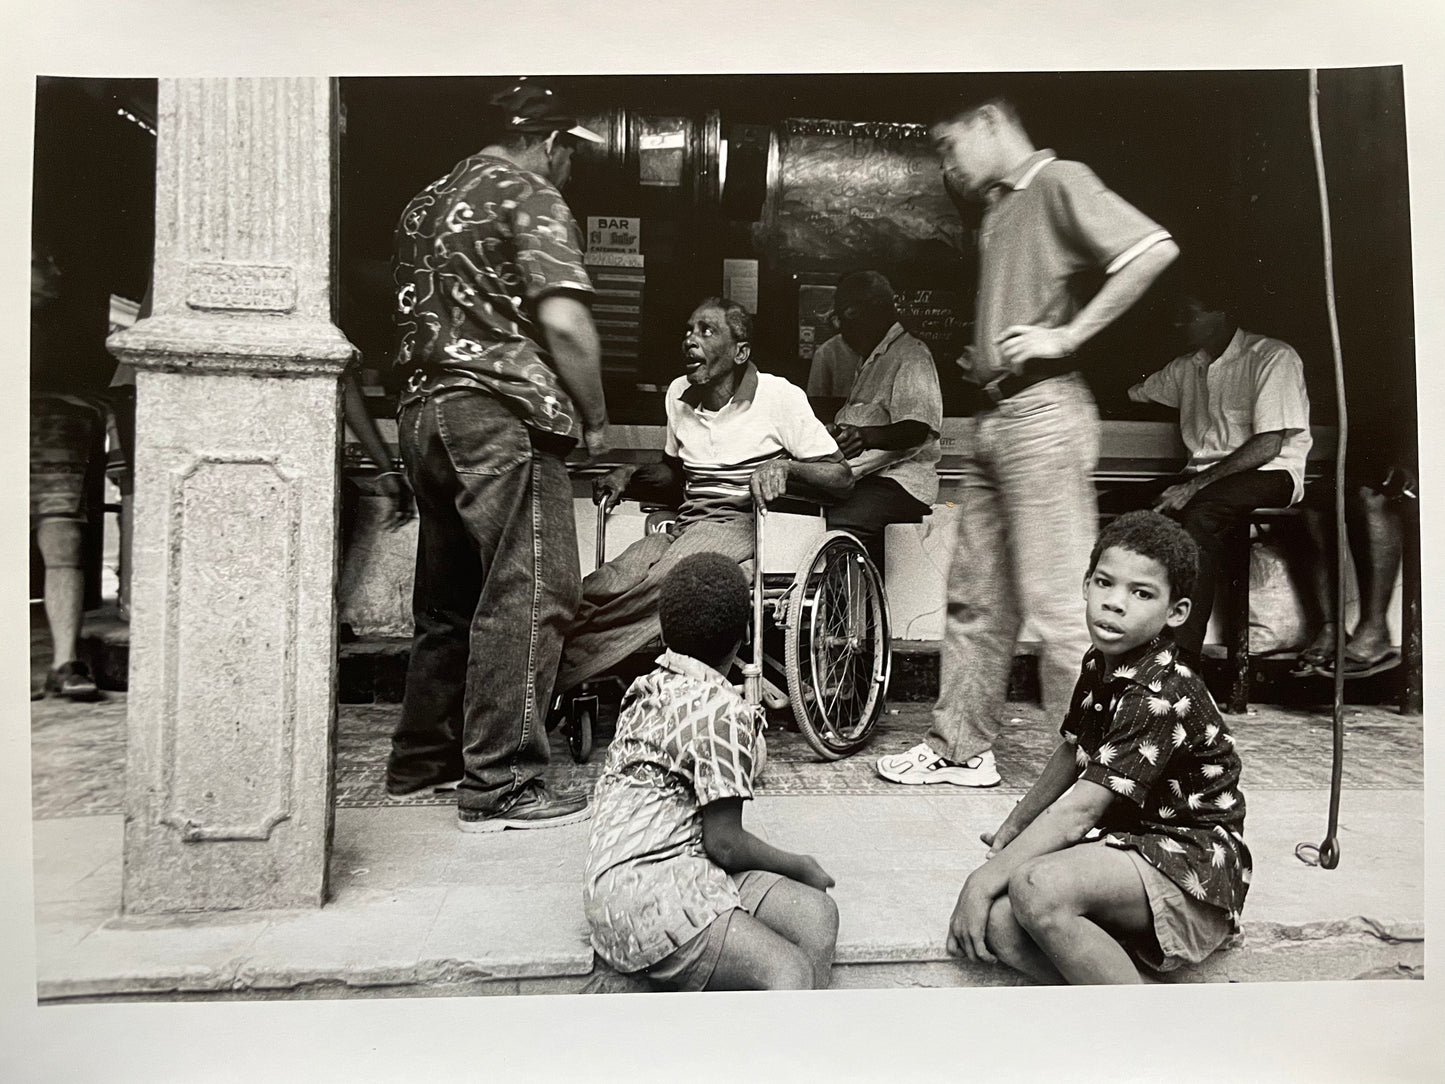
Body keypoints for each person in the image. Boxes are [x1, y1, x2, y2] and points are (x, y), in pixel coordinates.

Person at [877, 94, 1179, 788]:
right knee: (975, 599)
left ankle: (1101, 778)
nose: (947, 164)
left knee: (1064, 609)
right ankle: (960, 749)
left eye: (950, 145)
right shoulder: (998, 209)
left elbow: (1151, 249)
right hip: (997, 417)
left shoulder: (1057, 180)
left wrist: (1066, 334)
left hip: (1043, 415)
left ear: (989, 122)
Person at [384, 79, 611, 832]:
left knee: (449, 599)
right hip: (497, 415)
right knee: (533, 591)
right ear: (549, 142)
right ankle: (503, 781)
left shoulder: (424, 201)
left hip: (422, 417)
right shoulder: (528, 190)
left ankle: (424, 758)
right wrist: (596, 418)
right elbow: (567, 323)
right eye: (569, 154)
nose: (568, 168)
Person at [946, 511, 1250, 984]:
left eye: (1141, 593)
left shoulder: (1157, 692)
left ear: (1177, 612)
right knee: (1001, 926)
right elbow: (1075, 749)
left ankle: (1136, 1033)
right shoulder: (1102, 660)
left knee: (1035, 886)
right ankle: (1128, 992)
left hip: (1192, 871)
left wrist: (981, 882)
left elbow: (1079, 814)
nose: (1115, 604)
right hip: (1130, 853)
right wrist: (1015, 827)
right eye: (1105, 584)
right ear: (1086, 584)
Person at [557, 297, 852, 693]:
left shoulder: (779, 397)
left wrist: (787, 467)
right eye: (689, 331)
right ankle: (547, 658)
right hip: (688, 524)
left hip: (747, 524)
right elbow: (673, 475)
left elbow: (841, 476)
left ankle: (563, 668)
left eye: (706, 331)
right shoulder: (679, 394)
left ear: (740, 351)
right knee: (608, 581)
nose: (690, 341)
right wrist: (632, 473)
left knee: (665, 581)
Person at [583, 552, 839, 990]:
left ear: (662, 632)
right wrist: (801, 865)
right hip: (648, 896)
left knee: (817, 915)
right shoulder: (725, 713)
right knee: (787, 972)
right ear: (744, 636)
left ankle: (773, 1028)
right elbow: (725, 844)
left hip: (636, 882)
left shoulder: (645, 688)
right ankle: (771, 1046)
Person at [1107, 280, 1312, 660]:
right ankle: (1125, 643)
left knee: (1201, 513)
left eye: (1187, 314)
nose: (1177, 323)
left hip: (1272, 472)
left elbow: (1268, 444)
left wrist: (1193, 487)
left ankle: (1179, 661)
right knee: (1116, 504)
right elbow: (1131, 392)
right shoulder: (1188, 367)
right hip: (1205, 477)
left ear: (1221, 315)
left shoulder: (1271, 357)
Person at [813, 271, 943, 572]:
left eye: (840, 319)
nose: (840, 329)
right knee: (807, 514)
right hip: (869, 483)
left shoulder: (911, 356)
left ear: (856, 313)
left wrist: (865, 436)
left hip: (900, 487)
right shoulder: (873, 360)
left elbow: (916, 428)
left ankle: (835, 611)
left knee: (830, 526)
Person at [30, 245, 109, 701]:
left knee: (64, 542)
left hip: (56, 432)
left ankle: (64, 662)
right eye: (42, 261)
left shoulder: (65, 327)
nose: (55, 268)